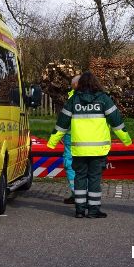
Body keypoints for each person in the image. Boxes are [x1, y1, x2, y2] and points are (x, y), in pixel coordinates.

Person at [48, 71, 132, 218]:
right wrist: (127, 140)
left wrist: (52, 143)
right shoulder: (104, 99)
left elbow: (62, 124)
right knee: (94, 178)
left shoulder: (73, 100)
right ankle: (93, 210)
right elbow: (116, 122)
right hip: (98, 149)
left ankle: (79, 210)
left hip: (79, 148)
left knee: (79, 177)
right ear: (96, 83)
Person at [62, 75, 80, 204]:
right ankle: (83, 194)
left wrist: (58, 136)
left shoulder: (72, 98)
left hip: (72, 136)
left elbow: (65, 119)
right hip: (92, 137)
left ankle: (77, 193)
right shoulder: (98, 97)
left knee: (70, 165)